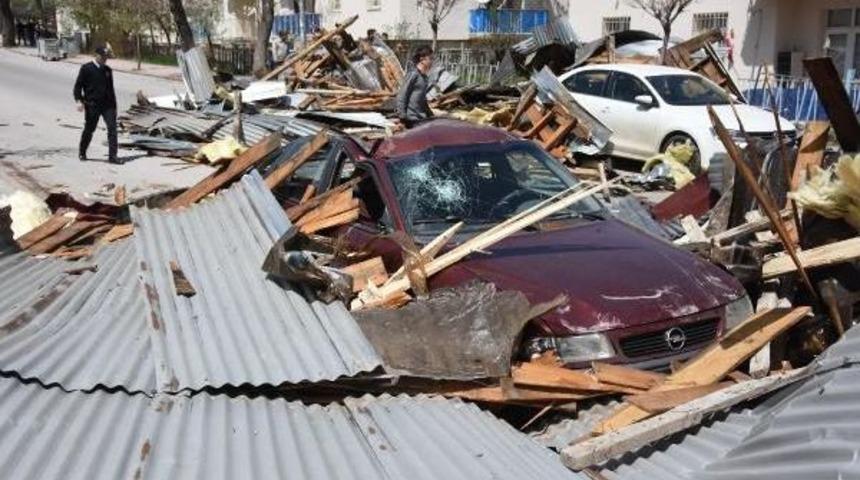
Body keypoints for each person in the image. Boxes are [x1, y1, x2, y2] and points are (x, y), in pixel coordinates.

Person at [73, 46, 120, 164]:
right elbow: (78, 86)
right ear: (97, 55)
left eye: (106, 57)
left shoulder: (108, 70)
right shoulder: (86, 68)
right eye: (103, 56)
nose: (105, 59)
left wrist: (114, 106)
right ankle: (82, 151)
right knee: (89, 129)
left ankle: (112, 156)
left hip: (107, 105)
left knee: (112, 129)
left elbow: (111, 89)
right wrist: (79, 100)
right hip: (92, 104)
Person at [396, 45, 434, 128]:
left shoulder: (424, 77)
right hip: (412, 119)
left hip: (421, 118)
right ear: (422, 59)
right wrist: (402, 117)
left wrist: (430, 114)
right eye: (430, 58)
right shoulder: (413, 74)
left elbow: (422, 99)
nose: (432, 61)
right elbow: (402, 95)